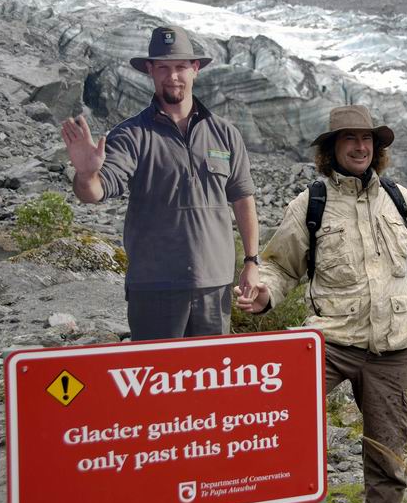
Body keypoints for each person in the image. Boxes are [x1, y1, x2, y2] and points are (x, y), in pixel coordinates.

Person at [236, 105, 407, 503]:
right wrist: (264, 295)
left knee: (388, 460)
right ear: (332, 148)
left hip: (390, 351)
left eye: (367, 138)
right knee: (282, 427)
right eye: (349, 138)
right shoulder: (310, 204)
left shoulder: (395, 197)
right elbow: (280, 266)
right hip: (329, 345)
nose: (360, 146)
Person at [61, 25, 259, 341]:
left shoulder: (225, 133)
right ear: (150, 71)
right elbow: (98, 191)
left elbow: (243, 197)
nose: (173, 76)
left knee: (210, 385)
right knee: (157, 383)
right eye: (164, 68)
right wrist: (86, 175)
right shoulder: (131, 135)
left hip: (214, 286)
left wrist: (251, 261)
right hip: (155, 288)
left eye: (181, 66)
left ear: (195, 69)